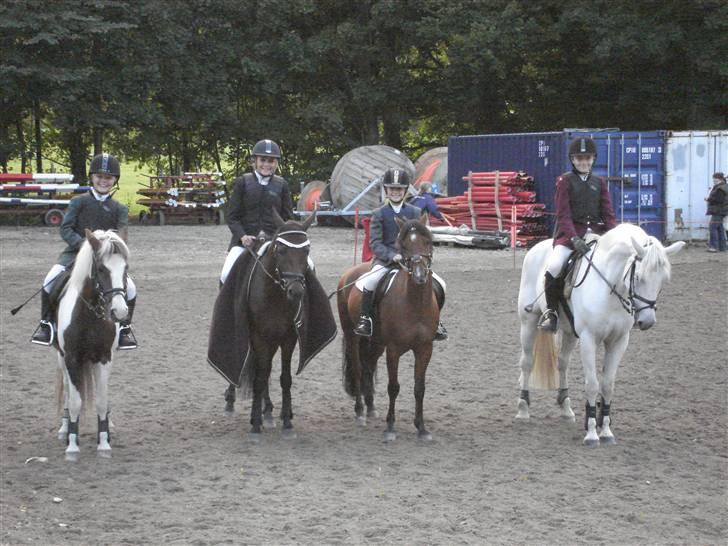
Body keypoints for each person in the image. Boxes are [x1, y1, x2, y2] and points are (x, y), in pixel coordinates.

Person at [31, 153, 137, 349]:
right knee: (49, 280)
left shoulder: (119, 208)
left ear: (115, 180)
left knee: (130, 288)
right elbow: (65, 228)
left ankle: (125, 328)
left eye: (108, 178)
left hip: (106, 259)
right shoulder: (78, 202)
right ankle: (45, 324)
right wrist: (84, 245)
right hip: (75, 254)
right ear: (92, 177)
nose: (103, 181)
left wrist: (109, 249)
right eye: (99, 177)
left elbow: (122, 236)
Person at [353, 168, 448, 340]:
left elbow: (421, 238)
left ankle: (436, 321)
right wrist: (392, 256)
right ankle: (365, 319)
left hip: (412, 261)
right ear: (386, 190)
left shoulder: (415, 212)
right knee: (368, 281)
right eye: (391, 189)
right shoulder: (379, 214)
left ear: (405, 191)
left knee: (440, 283)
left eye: (399, 189)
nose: (395, 192)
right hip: (386, 261)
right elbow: (375, 243)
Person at [538, 137, 617, 332]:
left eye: (587, 158)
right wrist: (573, 238)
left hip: (596, 235)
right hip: (569, 236)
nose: (584, 162)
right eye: (579, 158)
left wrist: (616, 236)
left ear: (593, 159)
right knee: (555, 265)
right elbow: (563, 214)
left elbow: (608, 213)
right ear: (572, 160)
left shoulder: (600, 182)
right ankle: (551, 312)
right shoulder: (564, 181)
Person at [219, 139, 295, 285]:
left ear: (276, 163)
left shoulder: (282, 185)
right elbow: (232, 217)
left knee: (308, 266)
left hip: (274, 243)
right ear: (254, 161)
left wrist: (280, 238)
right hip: (244, 243)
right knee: (225, 274)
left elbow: (287, 218)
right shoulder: (242, 182)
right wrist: (242, 236)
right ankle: (226, 308)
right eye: (263, 160)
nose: (267, 164)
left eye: (271, 161)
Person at [705, 172, 727, 252]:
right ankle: (722, 247)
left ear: (719, 179)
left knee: (712, 227)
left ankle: (714, 247)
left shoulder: (720, 188)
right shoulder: (723, 186)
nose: (713, 180)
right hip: (721, 211)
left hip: (718, 211)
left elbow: (719, 200)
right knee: (720, 228)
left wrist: (708, 199)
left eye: (714, 178)